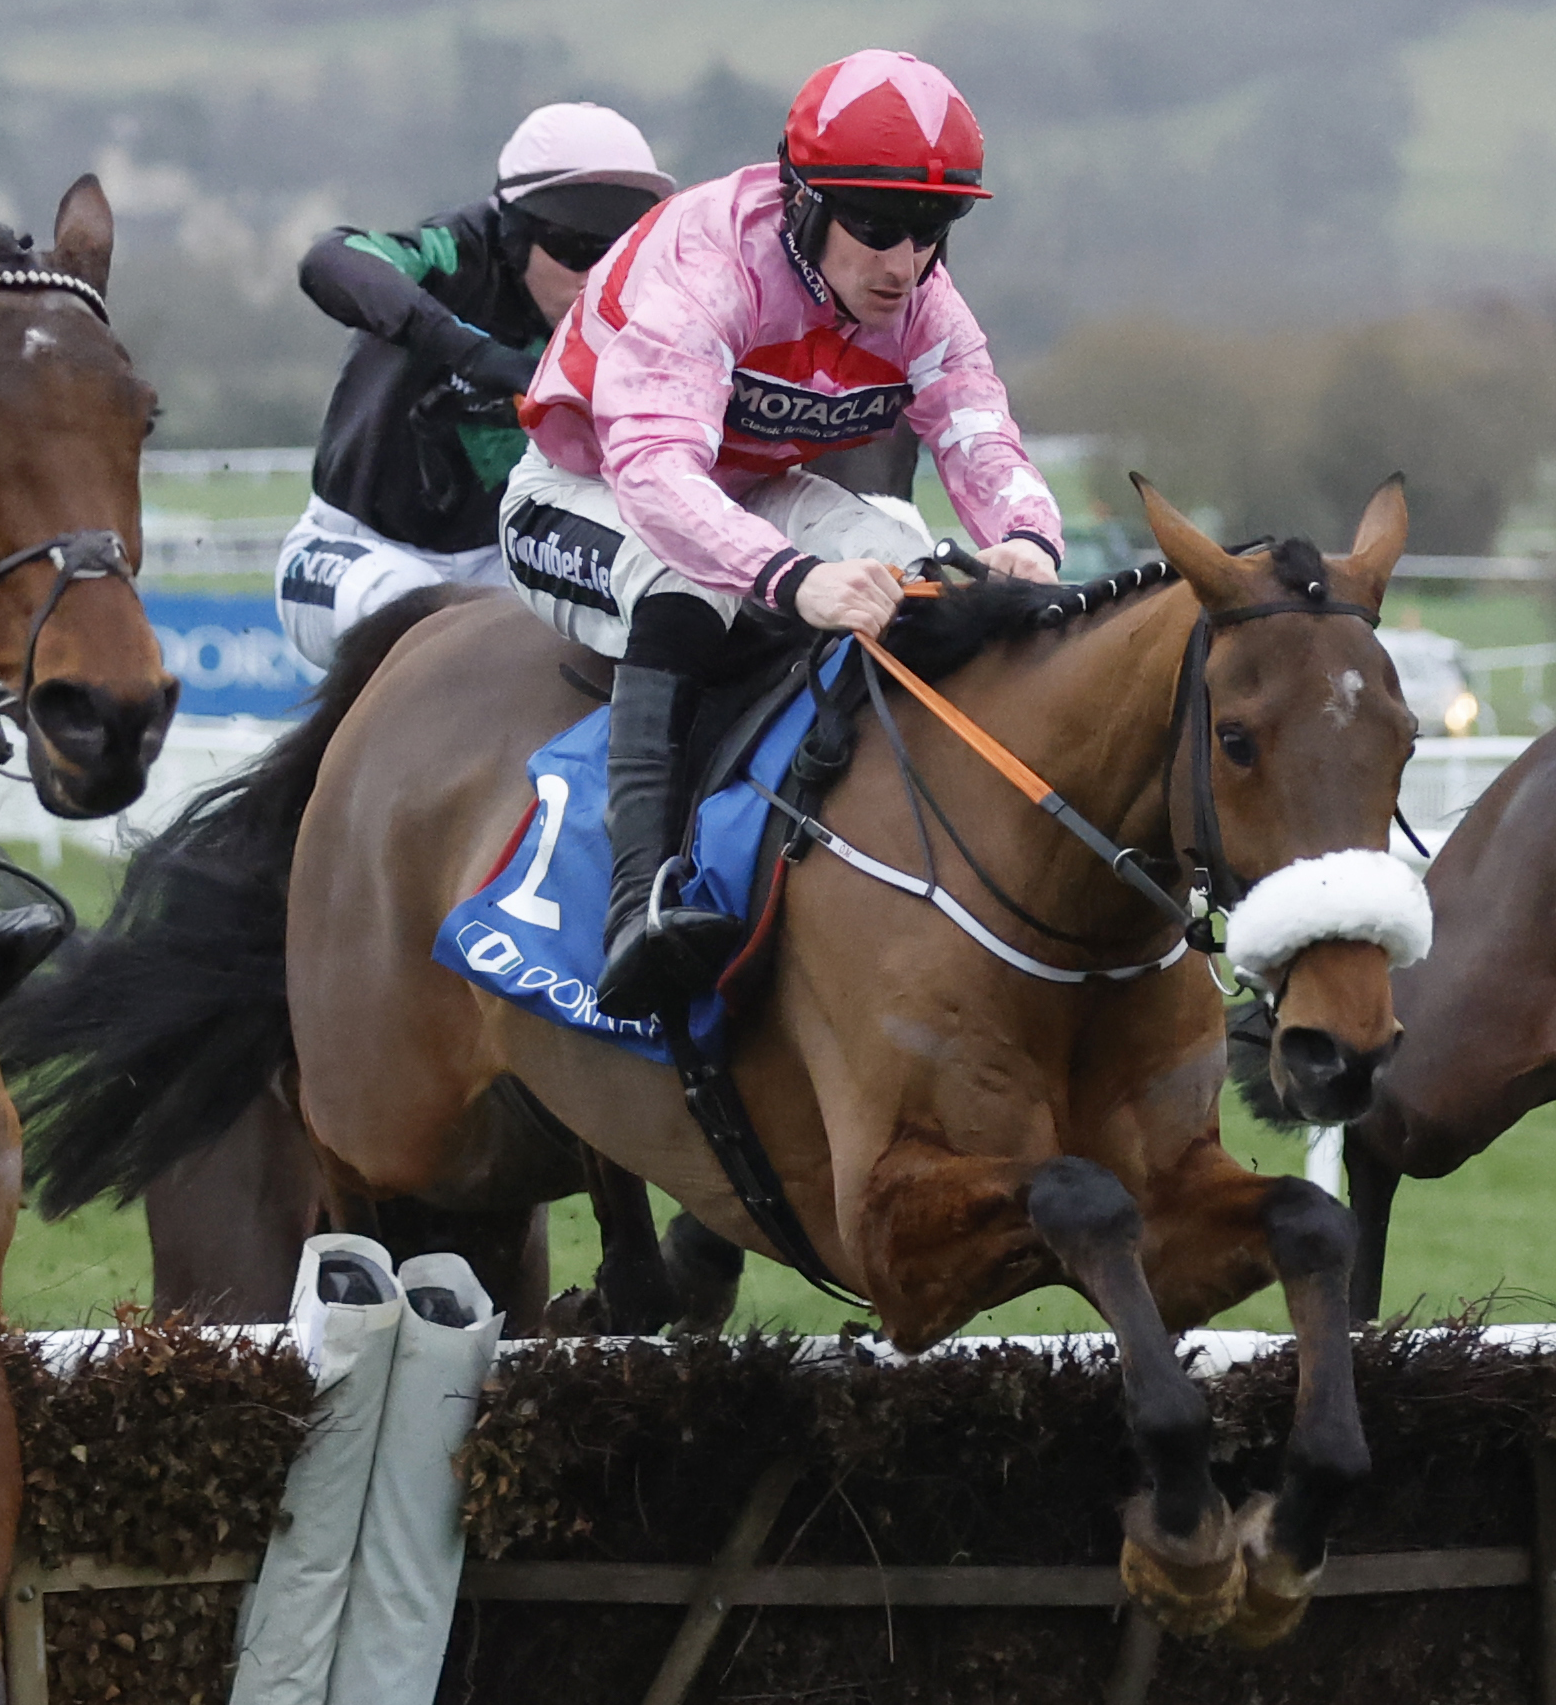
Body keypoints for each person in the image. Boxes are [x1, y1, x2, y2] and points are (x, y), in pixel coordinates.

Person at [501, 50, 1065, 1013]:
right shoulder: (707, 263)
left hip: (751, 486)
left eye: (933, 229)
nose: (905, 264)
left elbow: (978, 435)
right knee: (686, 588)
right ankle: (639, 909)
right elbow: (655, 476)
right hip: (588, 491)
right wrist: (791, 577)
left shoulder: (923, 303)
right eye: (879, 227)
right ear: (802, 201)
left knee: (924, 570)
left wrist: (1028, 543)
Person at [274, 104, 674, 673]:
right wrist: (475, 355)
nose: (600, 278)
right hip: (355, 551)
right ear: (512, 236)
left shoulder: (638, 308)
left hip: (500, 560)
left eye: (622, 254)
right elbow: (328, 258)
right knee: (436, 630)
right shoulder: (454, 253)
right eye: (579, 250)